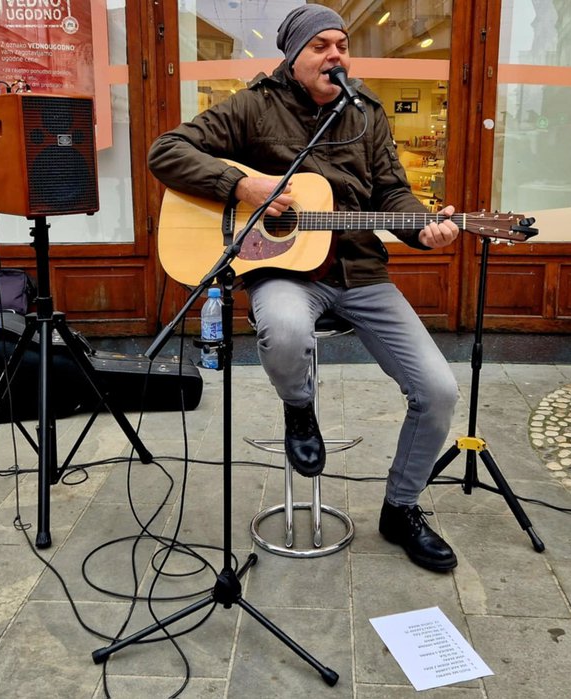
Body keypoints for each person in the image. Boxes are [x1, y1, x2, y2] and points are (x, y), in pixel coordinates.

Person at [148, 4, 461, 572]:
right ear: (293, 57)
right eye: (320, 45)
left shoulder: (367, 114)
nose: (335, 54)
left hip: (361, 273)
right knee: (287, 331)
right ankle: (300, 407)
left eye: (342, 44)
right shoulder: (254, 106)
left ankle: (401, 506)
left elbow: (391, 195)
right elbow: (166, 152)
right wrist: (244, 184)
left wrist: (425, 230)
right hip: (282, 271)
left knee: (438, 389)